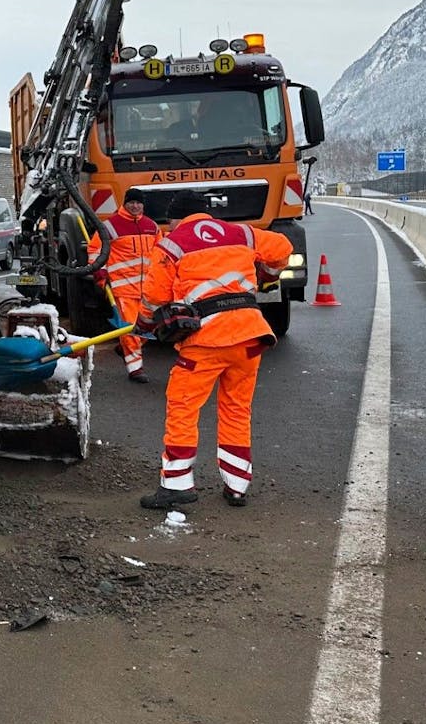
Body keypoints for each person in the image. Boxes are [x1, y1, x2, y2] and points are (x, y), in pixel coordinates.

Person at [134, 191, 292, 508]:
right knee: (236, 409)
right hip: (250, 334)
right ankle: (237, 485)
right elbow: (283, 249)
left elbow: (154, 295)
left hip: (208, 338)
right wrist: (266, 277)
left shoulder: (172, 243)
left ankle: (177, 485)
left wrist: (145, 326)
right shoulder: (242, 233)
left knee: (183, 405)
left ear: (176, 218)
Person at [88, 187, 158, 383]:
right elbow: (95, 249)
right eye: (131, 203)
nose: (135, 206)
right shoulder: (110, 227)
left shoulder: (152, 226)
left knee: (149, 327)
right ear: (125, 204)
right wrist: (99, 272)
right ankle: (135, 369)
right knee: (130, 328)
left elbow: (161, 253)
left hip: (150, 289)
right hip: (123, 287)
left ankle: (124, 347)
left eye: (138, 203)